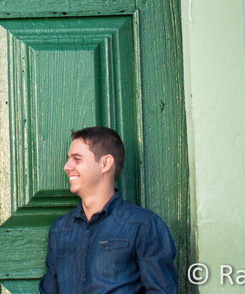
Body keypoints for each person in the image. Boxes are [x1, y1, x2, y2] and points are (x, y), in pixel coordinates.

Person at [39, 126, 177, 294]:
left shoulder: (144, 225)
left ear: (105, 163)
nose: (67, 167)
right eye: (68, 159)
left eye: (76, 159)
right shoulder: (60, 229)